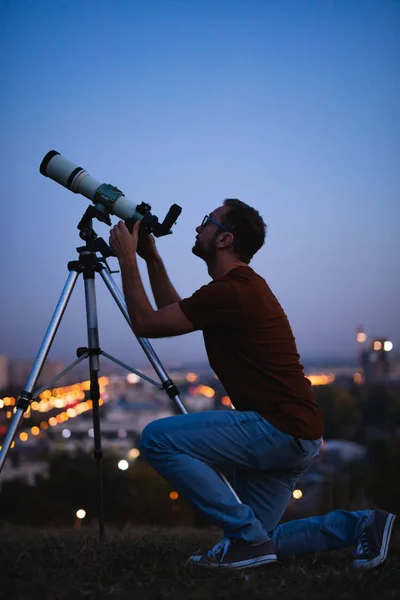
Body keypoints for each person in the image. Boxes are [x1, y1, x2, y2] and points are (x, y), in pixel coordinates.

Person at [109, 199, 396, 570]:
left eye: (206, 222)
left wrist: (126, 259)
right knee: (260, 539)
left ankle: (246, 539)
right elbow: (171, 313)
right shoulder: (234, 289)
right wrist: (150, 258)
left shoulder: (233, 291)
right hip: (297, 432)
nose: (198, 229)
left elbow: (147, 322)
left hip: (275, 427)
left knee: (156, 439)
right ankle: (362, 525)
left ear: (225, 239)